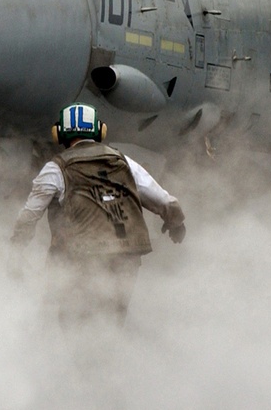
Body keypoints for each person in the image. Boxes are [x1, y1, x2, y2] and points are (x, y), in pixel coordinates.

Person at [10, 103, 185, 329]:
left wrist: (17, 246)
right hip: (127, 253)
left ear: (59, 133)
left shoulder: (55, 168)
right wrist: (176, 224)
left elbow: (30, 214)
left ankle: (78, 360)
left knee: (72, 320)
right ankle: (107, 358)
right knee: (112, 320)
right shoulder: (123, 161)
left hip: (80, 255)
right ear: (99, 131)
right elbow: (164, 200)